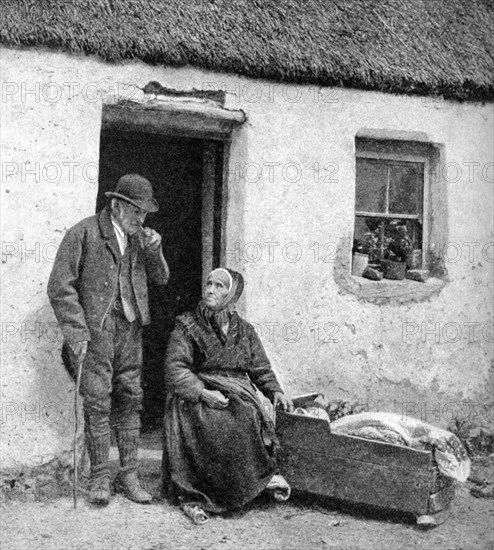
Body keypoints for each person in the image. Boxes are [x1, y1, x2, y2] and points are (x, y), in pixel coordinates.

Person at [47, 174, 169, 506]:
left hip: (130, 329)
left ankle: (129, 475)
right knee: (98, 400)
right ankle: (99, 474)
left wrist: (155, 252)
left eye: (144, 214)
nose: (140, 219)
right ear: (115, 205)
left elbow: (160, 279)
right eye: (134, 212)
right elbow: (60, 287)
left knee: (131, 397)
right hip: (96, 332)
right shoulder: (84, 233)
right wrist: (76, 331)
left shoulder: (141, 239)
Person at [161, 267, 293, 524]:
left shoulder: (244, 331)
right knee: (215, 421)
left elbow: (260, 368)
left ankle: (248, 487)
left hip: (235, 393)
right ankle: (198, 495)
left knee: (244, 414)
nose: (210, 290)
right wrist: (202, 393)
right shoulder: (187, 326)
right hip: (195, 396)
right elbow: (174, 368)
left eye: (219, 286)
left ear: (232, 294)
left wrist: (275, 390)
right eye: (209, 284)